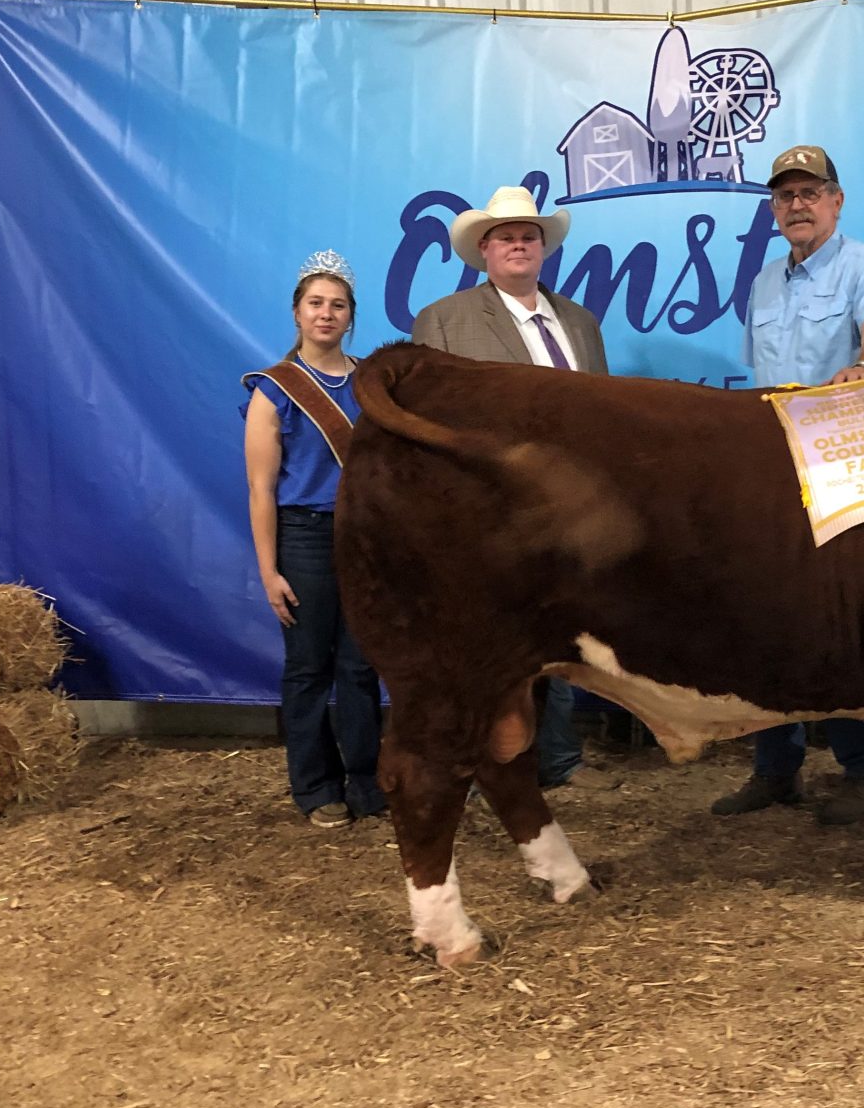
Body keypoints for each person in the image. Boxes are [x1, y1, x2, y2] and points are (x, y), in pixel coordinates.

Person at [710, 144, 864, 828]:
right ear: (774, 209)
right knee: (765, 613)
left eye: (810, 192)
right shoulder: (764, 281)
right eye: (785, 195)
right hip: (771, 464)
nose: (797, 204)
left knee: (844, 615)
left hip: (840, 460)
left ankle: (863, 769)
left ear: (836, 200)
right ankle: (775, 767)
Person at [410, 186, 619, 792]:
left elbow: (600, 418)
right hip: (484, 511)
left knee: (559, 635)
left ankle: (557, 759)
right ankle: (480, 762)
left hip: (566, 510)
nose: (519, 244)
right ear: (484, 250)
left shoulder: (580, 323)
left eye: (529, 234)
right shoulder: (443, 320)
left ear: (543, 247)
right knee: (483, 642)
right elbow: (426, 424)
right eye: (506, 236)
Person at [242, 251, 387, 824]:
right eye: (315, 304)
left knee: (359, 666)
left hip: (365, 537)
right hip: (303, 537)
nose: (326, 314)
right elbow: (260, 489)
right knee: (308, 668)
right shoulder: (273, 391)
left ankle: (367, 782)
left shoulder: (373, 384)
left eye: (338, 305)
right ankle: (314, 787)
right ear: (297, 314)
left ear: (351, 317)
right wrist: (268, 570)